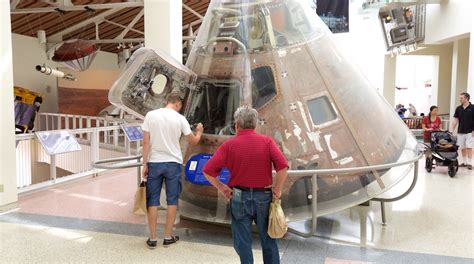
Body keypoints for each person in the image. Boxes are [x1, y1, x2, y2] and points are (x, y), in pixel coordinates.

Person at [203, 106, 288, 264]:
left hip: (239, 197)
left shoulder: (229, 145)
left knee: (242, 241)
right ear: (255, 125)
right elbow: (283, 166)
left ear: (237, 125)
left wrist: (222, 188)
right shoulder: (267, 142)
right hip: (264, 197)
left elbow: (207, 170)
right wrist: (277, 189)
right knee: (268, 239)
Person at [141, 92, 203, 249]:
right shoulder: (180, 119)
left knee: (152, 200)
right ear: (178, 104)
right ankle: (168, 237)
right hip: (173, 163)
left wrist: (145, 163)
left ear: (167, 101)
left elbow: (146, 142)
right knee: (172, 200)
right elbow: (194, 141)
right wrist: (200, 131)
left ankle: (153, 238)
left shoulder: (151, 115)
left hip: (154, 162)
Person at [450, 92, 474, 170]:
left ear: (466, 98)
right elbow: (455, 120)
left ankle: (470, 163)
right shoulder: (458, 108)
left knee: (469, 147)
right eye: (460, 98)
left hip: (470, 132)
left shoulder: (473, 107)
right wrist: (451, 130)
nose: (460, 99)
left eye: (461, 98)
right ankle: (464, 162)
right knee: (462, 148)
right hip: (460, 131)